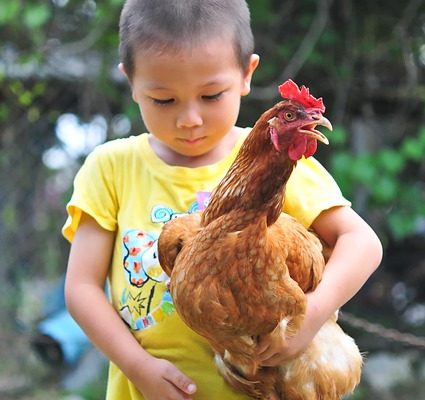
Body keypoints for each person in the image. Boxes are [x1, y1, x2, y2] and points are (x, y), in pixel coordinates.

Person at [63, 0, 383, 399]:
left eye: (212, 95)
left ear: (247, 74)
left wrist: (312, 316)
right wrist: (138, 366)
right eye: (164, 100)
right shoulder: (111, 168)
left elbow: (363, 243)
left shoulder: (278, 158)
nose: (190, 119)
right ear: (130, 80)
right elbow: (81, 288)